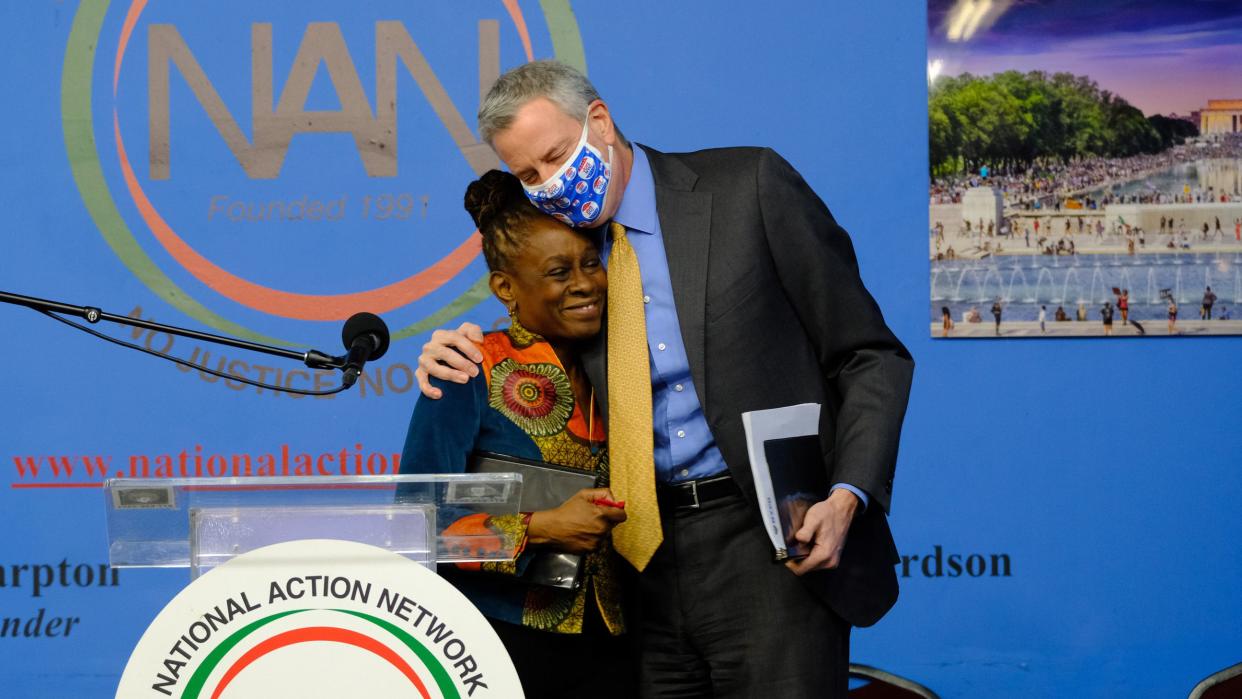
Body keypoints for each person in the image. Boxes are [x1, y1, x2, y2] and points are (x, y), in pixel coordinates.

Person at [415, 60, 913, 697]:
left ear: (599, 121)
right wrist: (453, 348)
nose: (548, 185)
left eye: (556, 156)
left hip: (767, 549)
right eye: (528, 175)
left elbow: (868, 354)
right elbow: (530, 317)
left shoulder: (748, 187)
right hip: (634, 570)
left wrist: (847, 496)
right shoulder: (570, 245)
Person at [399, 170, 631, 698]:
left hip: (620, 638)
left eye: (591, 263)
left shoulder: (629, 365)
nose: (584, 284)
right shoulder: (467, 369)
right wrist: (542, 527)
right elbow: (413, 524)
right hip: (497, 642)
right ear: (505, 286)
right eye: (558, 272)